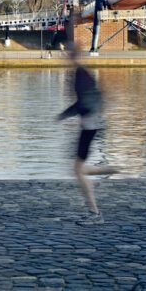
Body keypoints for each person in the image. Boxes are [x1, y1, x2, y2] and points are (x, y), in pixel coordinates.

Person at [57, 53, 119, 225]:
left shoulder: (80, 74)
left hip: (89, 125)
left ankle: (95, 213)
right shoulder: (84, 73)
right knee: (79, 168)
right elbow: (95, 97)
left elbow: (82, 103)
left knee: (78, 170)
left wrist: (64, 115)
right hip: (92, 124)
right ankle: (116, 169)